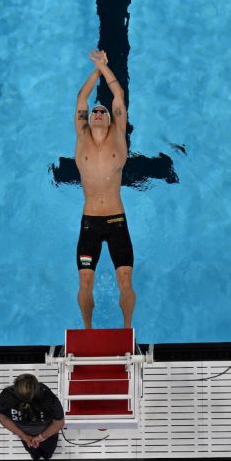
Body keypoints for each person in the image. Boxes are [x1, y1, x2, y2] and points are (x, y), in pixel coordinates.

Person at [73, 50, 135, 329]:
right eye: (96, 111)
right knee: (85, 282)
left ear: (111, 120)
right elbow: (81, 99)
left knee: (125, 280)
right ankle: (87, 329)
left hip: (116, 220)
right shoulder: (82, 137)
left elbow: (118, 96)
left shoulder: (118, 137)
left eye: (103, 112)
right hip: (90, 224)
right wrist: (96, 70)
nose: (98, 112)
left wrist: (105, 68)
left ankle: (126, 328)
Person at [0, 373, 65, 461]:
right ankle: (46, 456)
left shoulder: (5, 397)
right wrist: (41, 437)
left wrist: (23, 436)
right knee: (48, 451)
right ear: (36, 387)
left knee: (33, 452)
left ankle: (37, 456)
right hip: (47, 433)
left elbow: (2, 418)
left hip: (26, 434)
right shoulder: (47, 396)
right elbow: (58, 422)